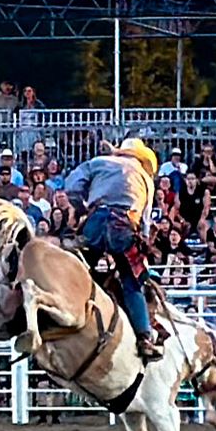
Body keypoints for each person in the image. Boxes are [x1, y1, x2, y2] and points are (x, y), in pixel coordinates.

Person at [63, 139, 165, 360]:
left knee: (80, 267)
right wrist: (144, 242)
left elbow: (71, 186)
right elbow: (145, 221)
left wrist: (81, 208)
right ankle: (144, 338)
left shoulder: (98, 162)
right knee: (132, 283)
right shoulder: (146, 179)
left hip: (96, 222)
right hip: (125, 228)